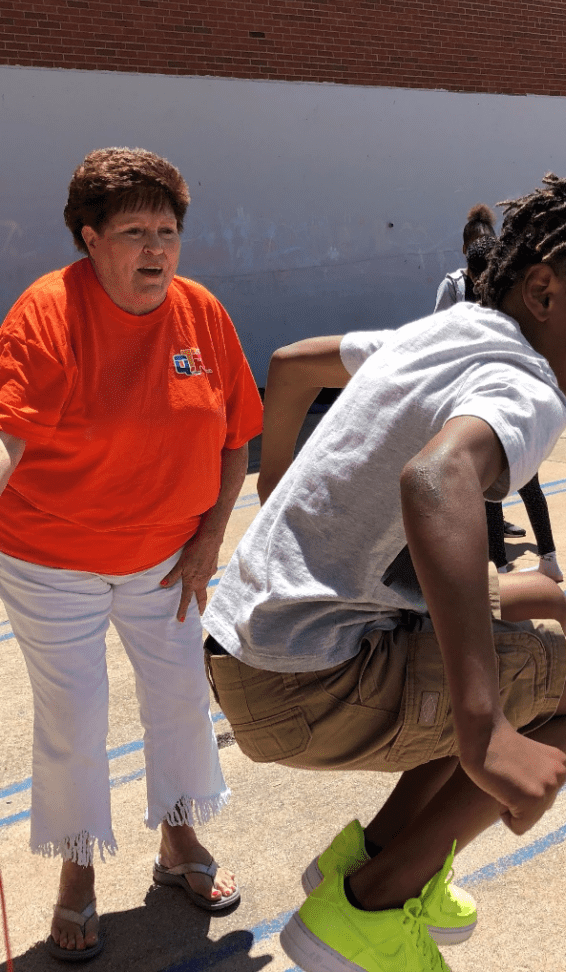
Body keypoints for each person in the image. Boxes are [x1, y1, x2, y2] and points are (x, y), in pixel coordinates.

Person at [203, 167, 566, 972]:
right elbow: (435, 479)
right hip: (305, 679)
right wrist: (485, 729)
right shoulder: (528, 382)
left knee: (527, 607)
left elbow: (289, 363)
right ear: (543, 291)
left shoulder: (440, 331)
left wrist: (279, 491)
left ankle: (373, 861)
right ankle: (370, 908)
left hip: (244, 641)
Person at [0, 148, 263, 960]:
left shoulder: (202, 313)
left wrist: (210, 539)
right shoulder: (45, 314)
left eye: (169, 231)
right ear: (89, 238)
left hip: (168, 558)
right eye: (134, 232)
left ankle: (178, 843)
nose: (156, 249)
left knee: (180, 699)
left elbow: (232, 437)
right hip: (53, 559)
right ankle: (77, 873)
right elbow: (7, 437)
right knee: (75, 720)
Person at [437, 214, 563, 580]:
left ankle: (504, 565)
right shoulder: (513, 294)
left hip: (490, 398)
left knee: (493, 486)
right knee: (524, 481)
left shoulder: (496, 298)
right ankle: (541, 560)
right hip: (510, 395)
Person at [435, 205, 526, 541]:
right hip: (462, 381)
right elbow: (439, 330)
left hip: (497, 380)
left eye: (488, 242)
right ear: (465, 250)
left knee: (497, 458)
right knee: (466, 458)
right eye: (476, 244)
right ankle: (471, 528)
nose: (482, 250)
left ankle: (494, 525)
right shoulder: (454, 286)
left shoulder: (507, 286)